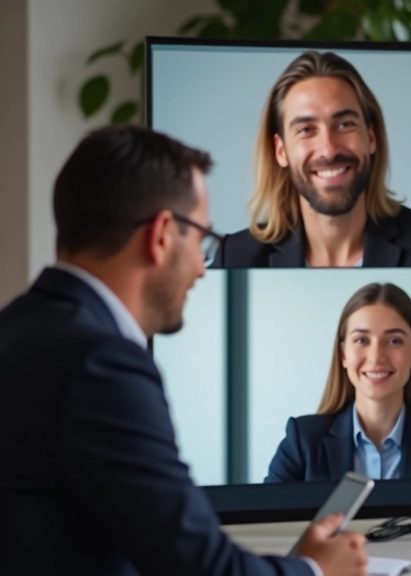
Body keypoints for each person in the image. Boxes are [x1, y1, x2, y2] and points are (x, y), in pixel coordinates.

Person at [0, 125, 367, 576]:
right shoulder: (101, 364)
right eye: (201, 241)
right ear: (161, 235)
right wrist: (317, 571)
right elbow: (200, 569)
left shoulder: (18, 327)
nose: (202, 268)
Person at [212, 50, 411, 268]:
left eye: (345, 124)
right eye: (306, 130)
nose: (328, 149)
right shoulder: (235, 259)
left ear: (371, 137)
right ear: (281, 151)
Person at [265, 282, 411, 482]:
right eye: (361, 340)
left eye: (394, 341)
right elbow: (265, 521)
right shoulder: (302, 440)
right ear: (343, 355)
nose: (376, 356)